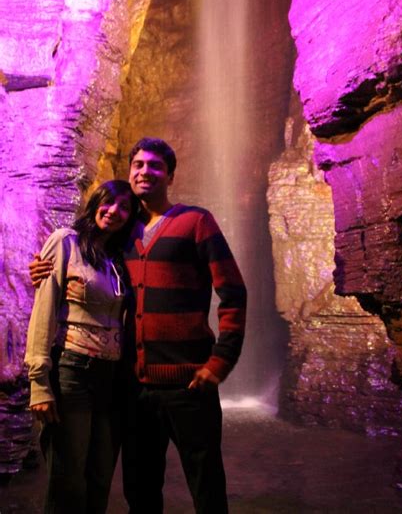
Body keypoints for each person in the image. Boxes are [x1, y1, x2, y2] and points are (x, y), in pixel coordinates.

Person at [30, 137, 247, 514]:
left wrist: (220, 362)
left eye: (155, 165)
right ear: (130, 173)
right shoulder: (121, 237)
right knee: (140, 489)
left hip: (189, 382)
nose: (146, 171)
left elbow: (233, 292)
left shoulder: (195, 222)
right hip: (134, 387)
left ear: (171, 175)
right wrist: (41, 271)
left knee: (206, 484)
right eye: (139, 165)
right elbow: (83, 271)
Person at [25, 179, 140, 514]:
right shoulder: (66, 242)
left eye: (124, 207)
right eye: (109, 202)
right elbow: (43, 310)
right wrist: (39, 384)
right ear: (95, 202)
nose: (115, 211)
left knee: (101, 475)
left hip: (111, 376)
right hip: (72, 370)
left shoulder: (118, 258)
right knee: (68, 478)